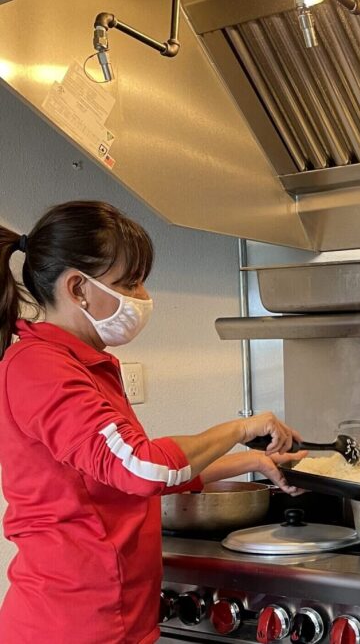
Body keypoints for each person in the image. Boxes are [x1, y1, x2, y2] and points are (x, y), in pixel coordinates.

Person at [0, 201, 305, 643]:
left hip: (113, 615)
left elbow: (131, 477)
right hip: (73, 625)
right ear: (78, 288)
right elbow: (141, 468)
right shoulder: (41, 368)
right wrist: (240, 428)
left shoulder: (83, 363)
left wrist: (253, 465)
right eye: (129, 282)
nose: (142, 297)